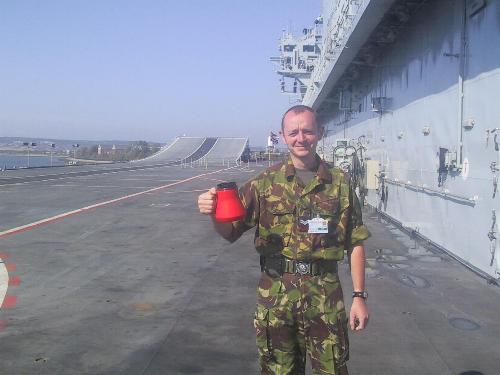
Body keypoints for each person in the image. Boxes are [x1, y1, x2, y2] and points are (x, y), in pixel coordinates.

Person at [198, 105, 370, 375]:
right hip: (276, 297)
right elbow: (230, 232)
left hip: (324, 295)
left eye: (308, 131)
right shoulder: (264, 183)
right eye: (293, 132)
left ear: (320, 133)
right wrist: (213, 213)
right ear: (283, 135)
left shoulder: (340, 182)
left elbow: (356, 241)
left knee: (332, 369)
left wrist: (359, 296)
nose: (301, 137)